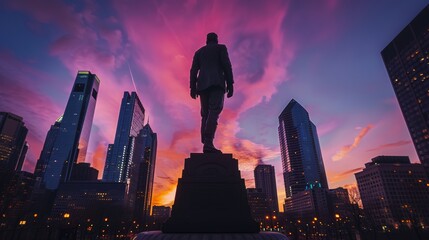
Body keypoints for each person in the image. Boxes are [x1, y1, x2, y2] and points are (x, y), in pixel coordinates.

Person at [190, 32, 234, 153]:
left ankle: (206, 141)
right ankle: (208, 142)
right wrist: (230, 84)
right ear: (216, 40)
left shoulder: (199, 52)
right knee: (214, 111)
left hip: (202, 85)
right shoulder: (221, 48)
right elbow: (227, 65)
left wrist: (192, 87)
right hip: (217, 83)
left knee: (205, 114)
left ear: (206, 40)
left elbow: (193, 70)